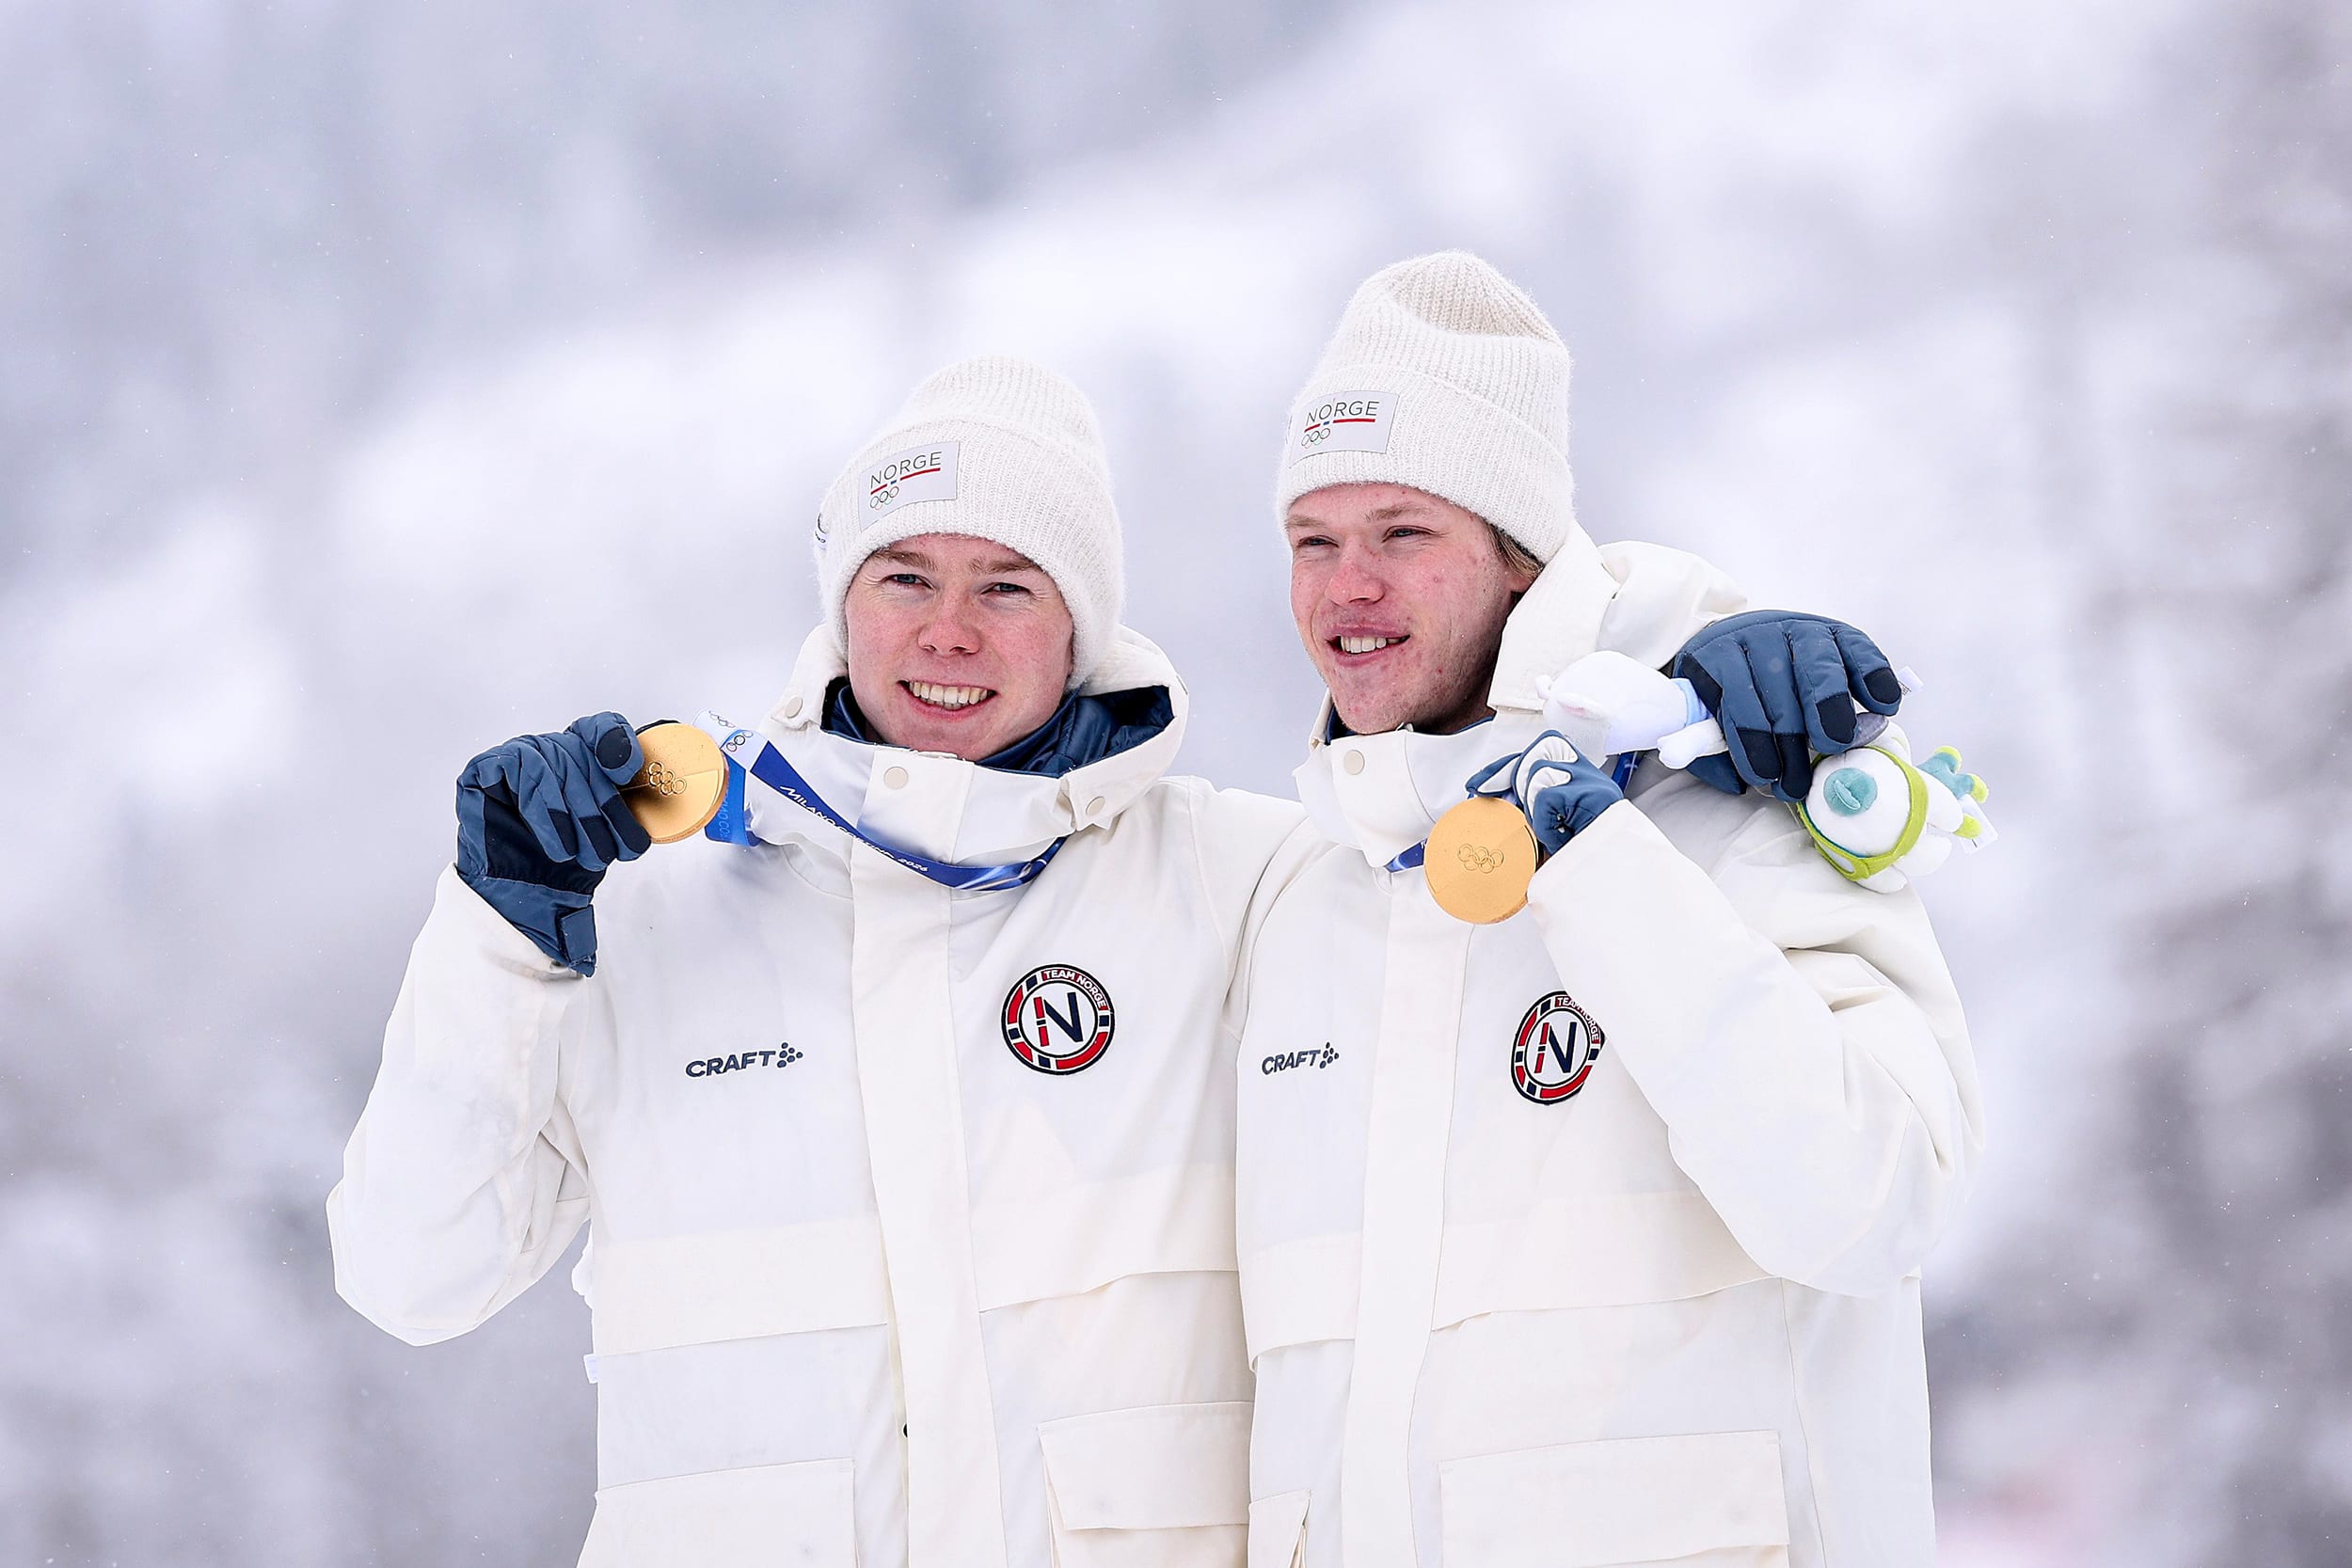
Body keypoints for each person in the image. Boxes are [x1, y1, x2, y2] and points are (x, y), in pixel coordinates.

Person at [327, 357, 1312, 1568]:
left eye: (1007, 584)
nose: (947, 629)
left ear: (1081, 631)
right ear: (842, 605)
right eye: (904, 576)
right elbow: (411, 1274)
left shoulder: (1235, 882)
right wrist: (497, 929)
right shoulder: (647, 917)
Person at [1230, 253, 1984, 1568]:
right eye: (1315, 540)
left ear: (1520, 561)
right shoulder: (1303, 896)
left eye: (1403, 532)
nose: (1348, 586)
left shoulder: (1738, 799)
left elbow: (1874, 1204)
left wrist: (1598, 864)